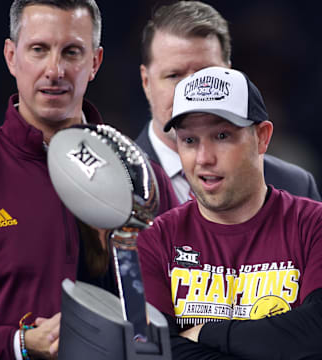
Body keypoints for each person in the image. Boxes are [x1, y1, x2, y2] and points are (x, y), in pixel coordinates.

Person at [0, 1, 175, 359]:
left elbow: (187, 312)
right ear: (11, 56)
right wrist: (20, 344)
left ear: (95, 62)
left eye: (72, 52)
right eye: (38, 50)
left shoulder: (143, 181)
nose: (55, 70)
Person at [137, 66, 322, 359]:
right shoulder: (155, 239)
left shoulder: (313, 225)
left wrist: (204, 334)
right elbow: (151, 350)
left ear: (262, 137)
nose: (204, 159)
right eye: (189, 140)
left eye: (222, 136)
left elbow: (316, 331)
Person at [136, 1, 321, 204]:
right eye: (174, 75)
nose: (190, 92)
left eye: (207, 74)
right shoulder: (114, 184)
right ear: (146, 82)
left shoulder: (294, 186)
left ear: (231, 75)